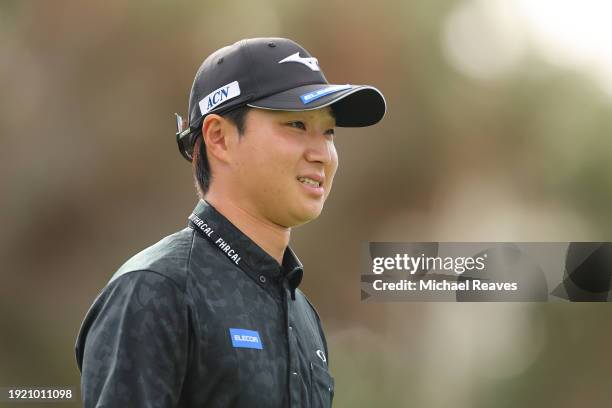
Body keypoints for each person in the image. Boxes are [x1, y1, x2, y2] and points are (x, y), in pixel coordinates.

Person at [75, 37, 386, 408]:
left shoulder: (303, 315)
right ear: (219, 138)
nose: (322, 154)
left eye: (329, 131)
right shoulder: (155, 290)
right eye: (297, 124)